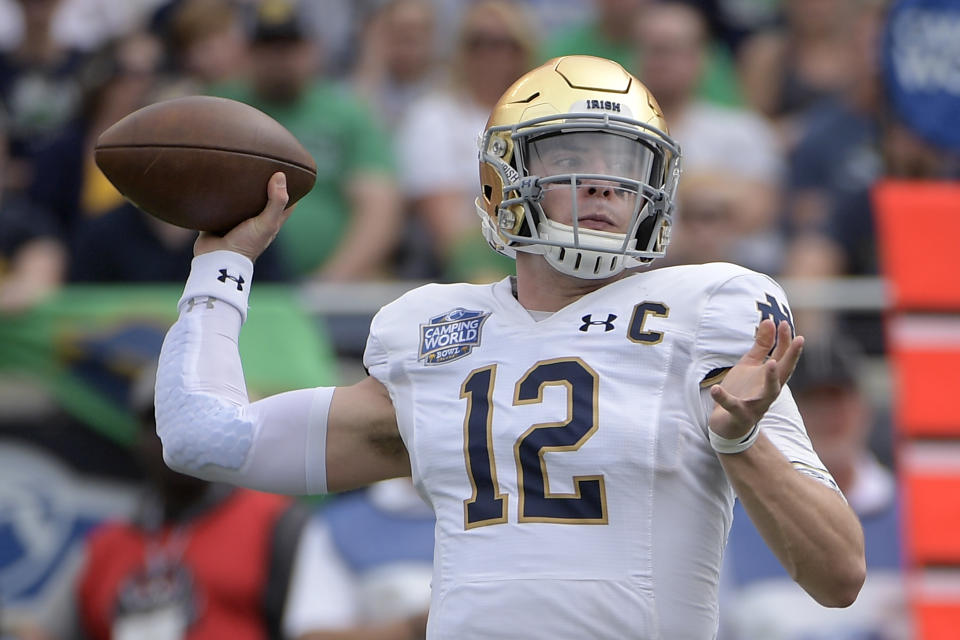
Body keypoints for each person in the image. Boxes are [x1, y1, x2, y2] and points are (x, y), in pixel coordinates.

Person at [154, 55, 865, 638]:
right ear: (504, 179)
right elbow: (204, 436)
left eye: (626, 163)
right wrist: (222, 267)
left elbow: (838, 574)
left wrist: (744, 443)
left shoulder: (708, 308)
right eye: (571, 157)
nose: (604, 183)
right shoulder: (431, 334)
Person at [76, 361, 313, 640]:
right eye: (157, 422)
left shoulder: (277, 523)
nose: (174, 437)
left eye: (191, 419)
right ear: (136, 439)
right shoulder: (104, 545)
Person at [721, 332, 908, 639]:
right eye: (811, 402)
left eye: (837, 399)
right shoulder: (730, 523)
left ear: (864, 407)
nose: (827, 416)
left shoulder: (922, 513)